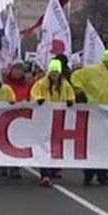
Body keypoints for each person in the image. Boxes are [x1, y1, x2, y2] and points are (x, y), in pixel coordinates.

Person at [71, 48, 108, 186]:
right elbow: (75, 77)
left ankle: (103, 175)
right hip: (93, 114)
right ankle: (89, 174)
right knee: (92, 146)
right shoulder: (91, 71)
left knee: (106, 146)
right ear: (104, 61)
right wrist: (80, 92)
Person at [31, 59, 75, 187]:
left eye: (56, 72)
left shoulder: (65, 85)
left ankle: (54, 169)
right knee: (44, 145)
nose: (54, 75)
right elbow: (34, 93)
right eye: (52, 72)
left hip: (59, 119)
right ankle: (45, 174)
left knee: (57, 144)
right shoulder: (41, 84)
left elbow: (70, 95)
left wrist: (70, 100)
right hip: (44, 119)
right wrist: (39, 99)